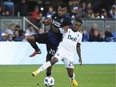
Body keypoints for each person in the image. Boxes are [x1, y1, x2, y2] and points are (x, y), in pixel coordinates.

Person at [32, 18, 83, 86]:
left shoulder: (79, 35)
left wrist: (80, 57)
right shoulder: (66, 30)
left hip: (69, 55)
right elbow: (56, 30)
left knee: (70, 74)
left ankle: (72, 79)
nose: (76, 26)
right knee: (53, 61)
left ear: (80, 27)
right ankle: (37, 72)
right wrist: (51, 23)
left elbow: (78, 46)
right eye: (75, 24)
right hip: (62, 50)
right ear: (73, 23)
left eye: (78, 25)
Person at [27, 3, 72, 77]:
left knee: (49, 60)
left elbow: (64, 31)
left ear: (65, 11)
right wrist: (45, 22)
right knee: (29, 38)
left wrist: (52, 24)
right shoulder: (55, 15)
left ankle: (48, 76)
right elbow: (48, 23)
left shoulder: (67, 20)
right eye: (59, 10)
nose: (59, 12)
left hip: (54, 42)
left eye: (62, 11)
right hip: (47, 36)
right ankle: (37, 50)